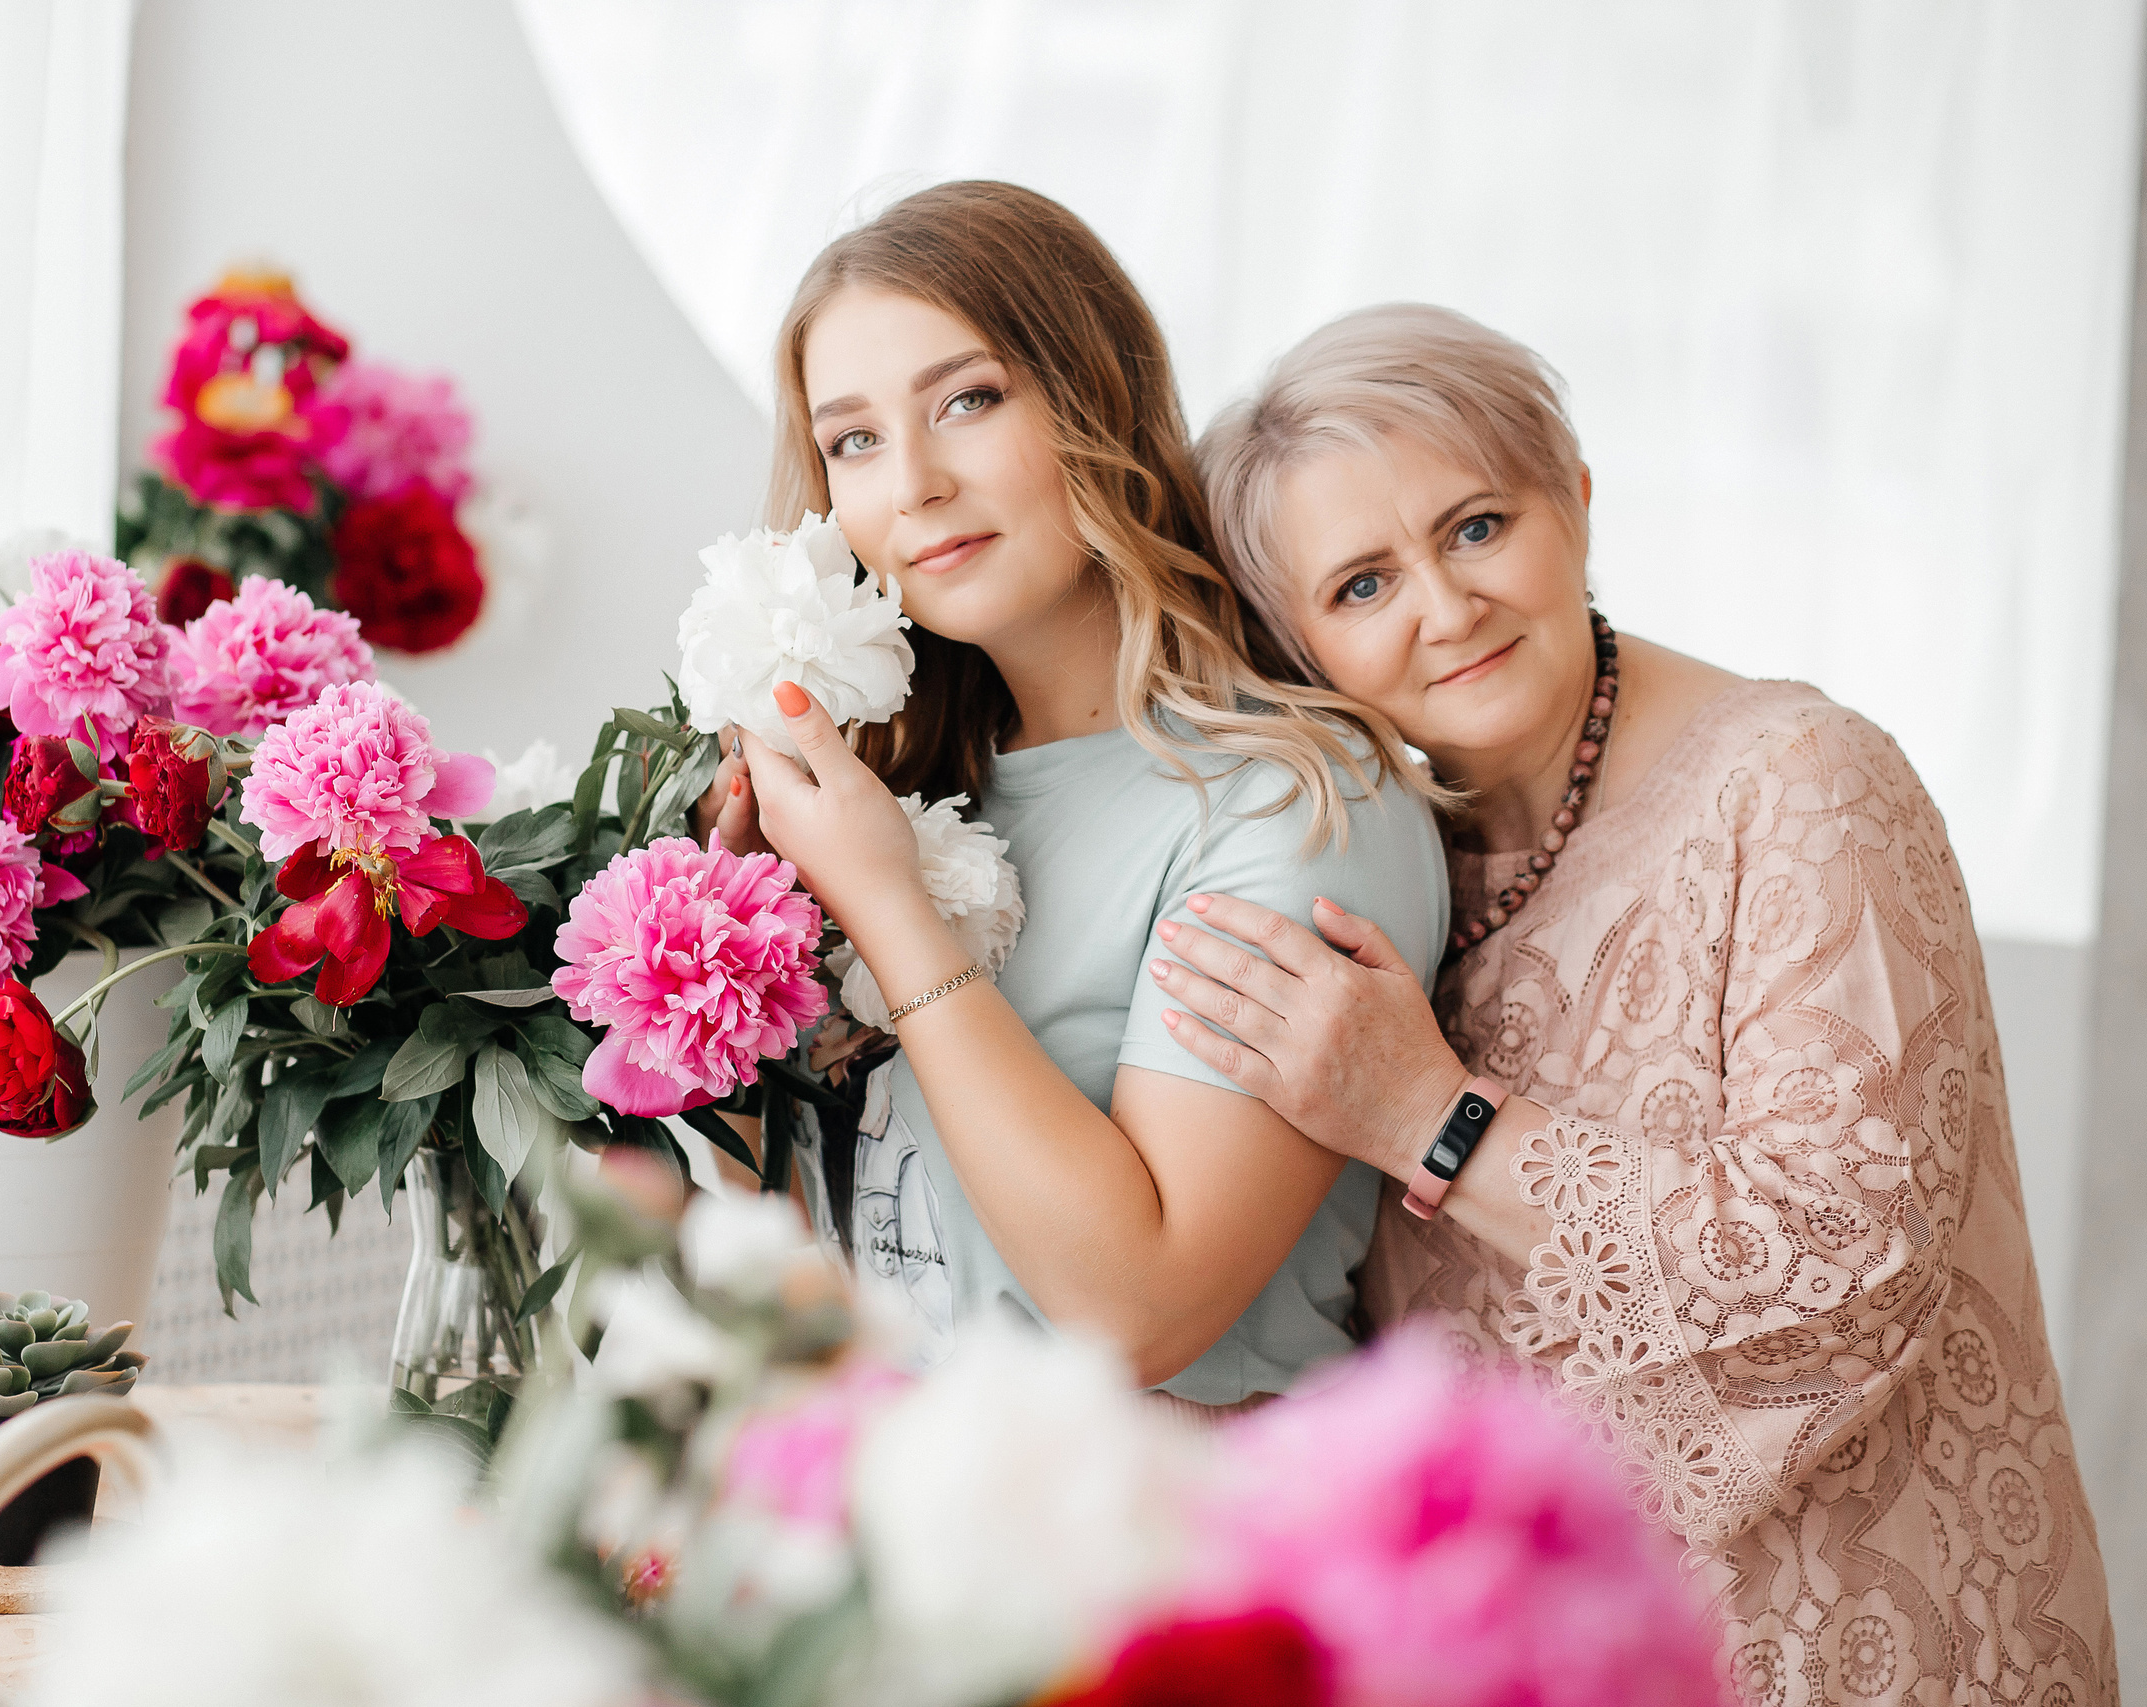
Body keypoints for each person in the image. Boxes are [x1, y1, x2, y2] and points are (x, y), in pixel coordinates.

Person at [1162, 303, 2114, 1695]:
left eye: (1477, 525)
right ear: (1297, 642)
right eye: (1363, 584)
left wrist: (1431, 1114)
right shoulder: (1376, 859)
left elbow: (1843, 1264)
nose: (1445, 603)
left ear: (1577, 499)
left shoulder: (1802, 782)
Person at [697, 182, 1449, 1410]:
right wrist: (731, 957)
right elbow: (802, 1269)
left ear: (1093, 392)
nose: (915, 485)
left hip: (1165, 1561)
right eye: (855, 440)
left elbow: (1136, 1312)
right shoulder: (895, 789)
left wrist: (889, 909)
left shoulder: (1288, 807)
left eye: (968, 401)